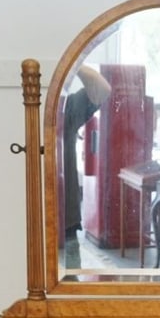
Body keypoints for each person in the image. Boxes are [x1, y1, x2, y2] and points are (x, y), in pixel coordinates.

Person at [63, 65, 111, 269]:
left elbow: (102, 89)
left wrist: (71, 63)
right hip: (25, 220)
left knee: (70, 283)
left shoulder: (65, 110)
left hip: (65, 223)